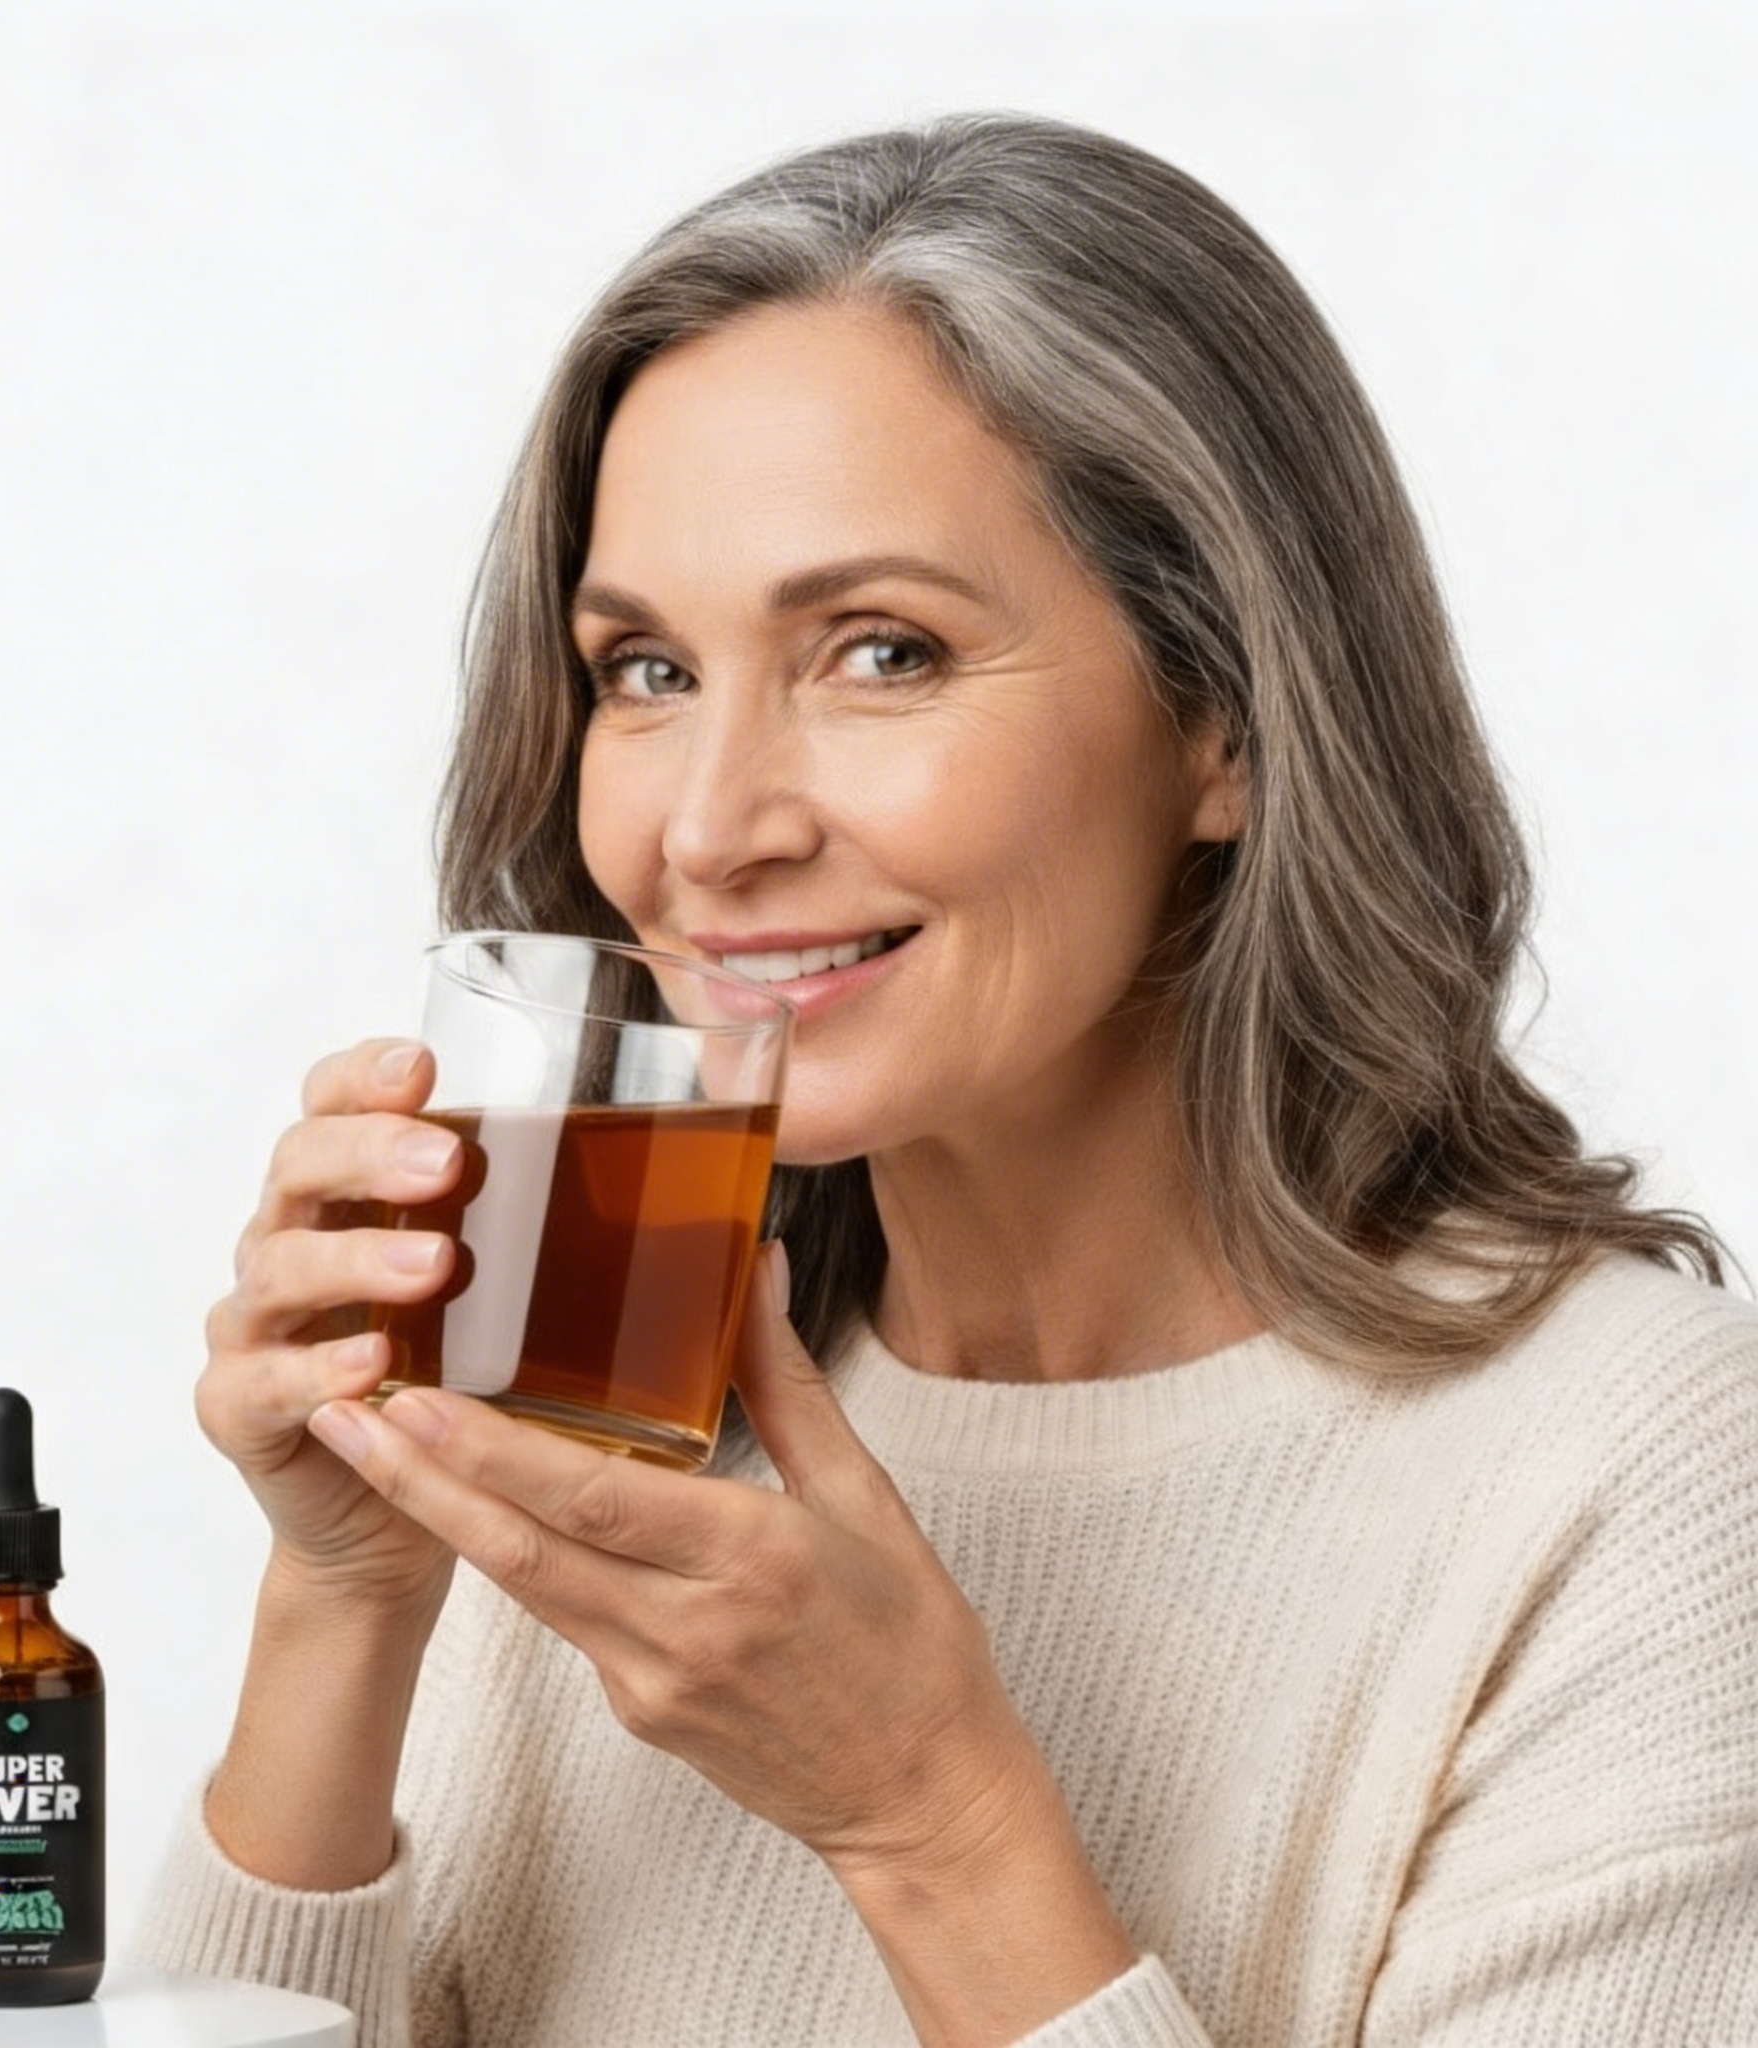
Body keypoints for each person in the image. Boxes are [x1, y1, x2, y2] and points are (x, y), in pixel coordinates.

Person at [133, 115, 1758, 2045]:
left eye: (883, 653)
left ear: (1229, 724)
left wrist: (929, 1820)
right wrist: (349, 1599)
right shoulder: (604, 1381)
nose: (708, 831)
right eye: (645, 671)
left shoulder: (1634, 1473)